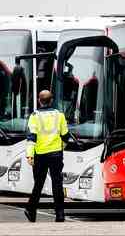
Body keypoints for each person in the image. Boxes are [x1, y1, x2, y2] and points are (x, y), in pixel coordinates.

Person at [24, 90, 70, 222]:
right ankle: (60, 214)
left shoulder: (34, 116)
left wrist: (29, 155)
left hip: (40, 155)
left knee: (38, 184)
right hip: (56, 154)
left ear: (39, 100)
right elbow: (66, 136)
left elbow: (32, 137)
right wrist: (62, 146)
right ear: (51, 100)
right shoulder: (59, 115)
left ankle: (31, 211)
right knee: (57, 183)